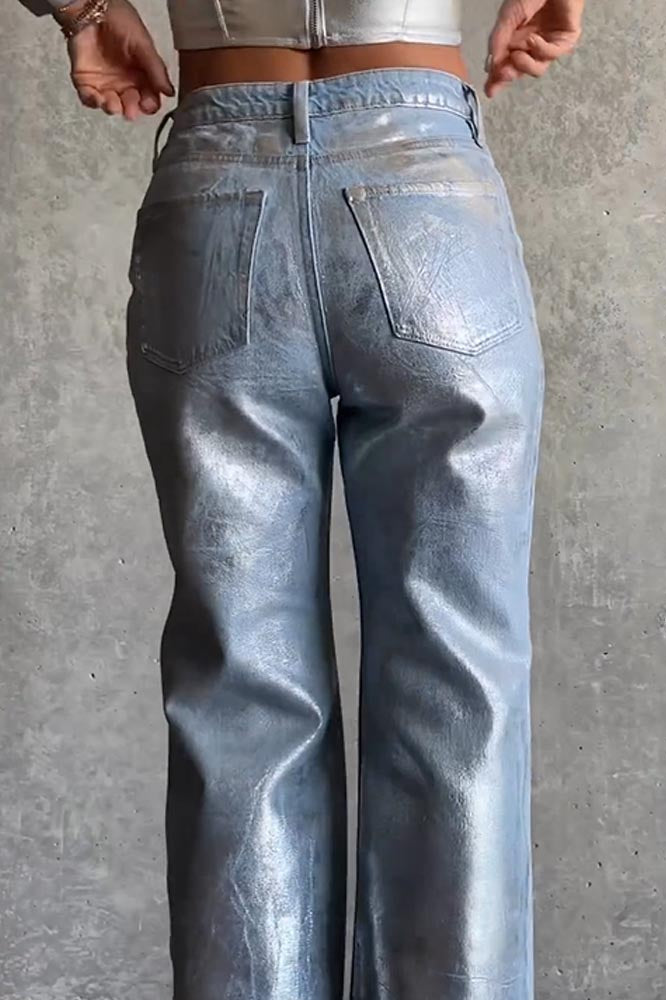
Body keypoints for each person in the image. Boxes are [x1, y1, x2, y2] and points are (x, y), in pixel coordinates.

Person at [17, 0, 583, 996]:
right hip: (423, 186)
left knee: (241, 692)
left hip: (218, 181)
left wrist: (86, 12)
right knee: (458, 694)